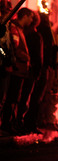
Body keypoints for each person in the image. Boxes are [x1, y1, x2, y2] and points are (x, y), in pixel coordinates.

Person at [0, 7, 34, 135]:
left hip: (18, 69)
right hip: (14, 68)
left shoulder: (17, 29)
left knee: (13, 98)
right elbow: (13, 47)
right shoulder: (13, 29)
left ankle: (9, 123)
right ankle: (6, 123)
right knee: (9, 98)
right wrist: (24, 56)